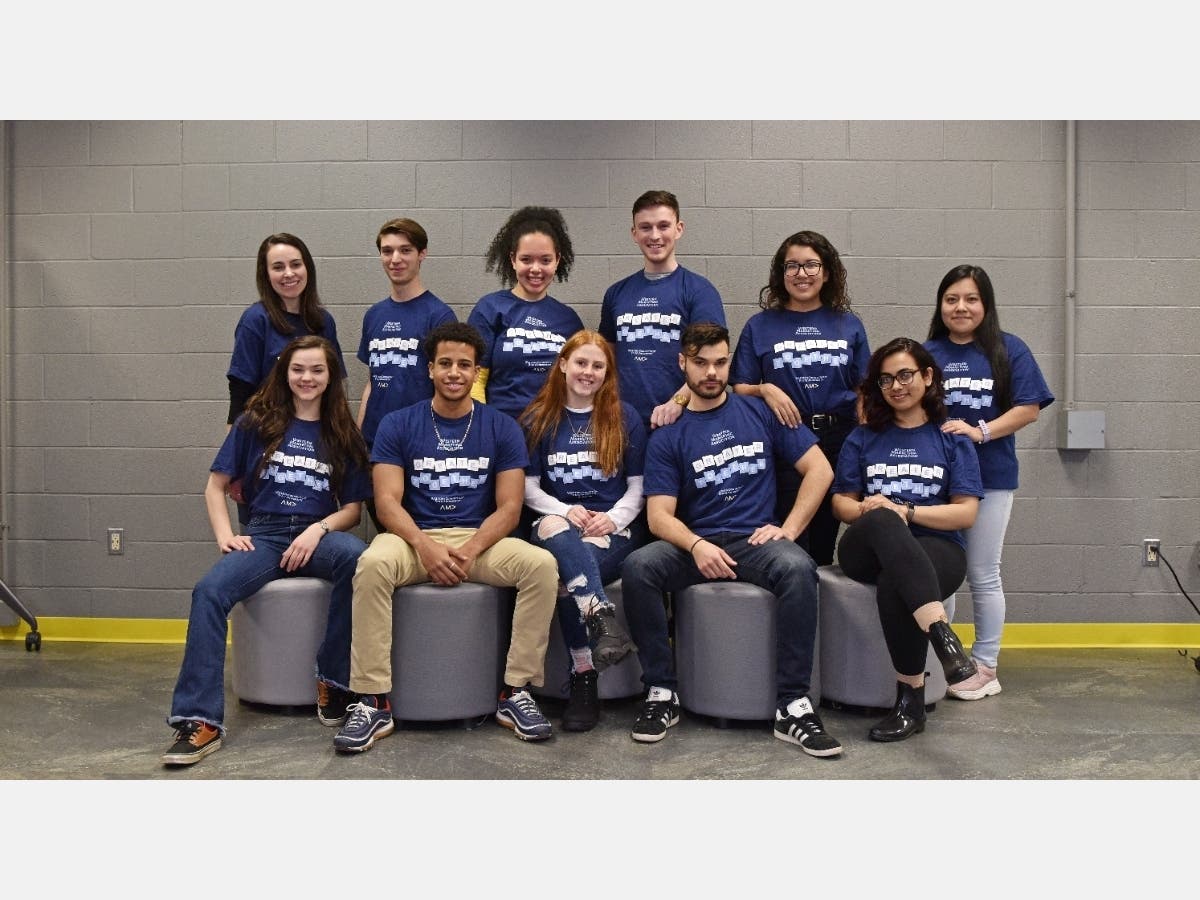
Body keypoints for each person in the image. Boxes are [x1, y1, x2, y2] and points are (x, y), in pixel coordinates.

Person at [333, 322, 559, 752]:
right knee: (373, 563)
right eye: (445, 364)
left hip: (479, 541)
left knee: (541, 566)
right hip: (414, 539)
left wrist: (470, 550)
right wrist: (425, 546)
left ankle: (516, 692)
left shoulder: (501, 427)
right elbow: (386, 503)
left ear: (477, 373)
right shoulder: (399, 424)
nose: (455, 372)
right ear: (430, 370)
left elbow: (510, 507)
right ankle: (373, 699)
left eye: (465, 365)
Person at [620, 322, 842, 757]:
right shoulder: (668, 432)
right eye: (700, 363)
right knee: (639, 566)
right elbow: (659, 516)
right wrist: (697, 547)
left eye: (720, 363)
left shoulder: (759, 411)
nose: (711, 373)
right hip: (698, 542)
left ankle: (792, 705)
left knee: (799, 568)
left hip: (754, 541)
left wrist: (790, 529)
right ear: (682, 363)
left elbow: (821, 470)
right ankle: (662, 692)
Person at [162, 335, 370, 766]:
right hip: (266, 535)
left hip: (316, 535)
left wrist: (318, 529)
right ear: (285, 372)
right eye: (299, 369)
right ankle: (199, 720)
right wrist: (225, 536)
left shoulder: (341, 431)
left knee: (358, 558)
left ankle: (333, 680)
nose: (307, 378)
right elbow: (215, 486)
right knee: (209, 591)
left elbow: (352, 510)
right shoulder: (255, 421)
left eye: (317, 370)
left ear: (330, 377)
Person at [831, 337, 983, 743]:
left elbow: (966, 513)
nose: (896, 386)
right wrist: (873, 510)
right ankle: (942, 636)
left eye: (905, 375)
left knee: (896, 583)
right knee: (883, 519)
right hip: (867, 545)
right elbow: (841, 505)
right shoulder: (863, 438)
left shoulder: (952, 439)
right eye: (886, 380)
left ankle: (910, 703)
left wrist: (908, 512)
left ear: (928, 376)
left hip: (937, 546)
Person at [924, 265, 1054, 700]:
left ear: (986, 304)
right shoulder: (927, 354)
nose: (961, 307)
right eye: (952, 299)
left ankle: (985, 665)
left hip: (991, 478)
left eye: (971, 299)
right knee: (941, 572)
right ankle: (944, 662)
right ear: (941, 305)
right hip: (937, 482)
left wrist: (980, 431)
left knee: (982, 572)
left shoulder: (1009, 350)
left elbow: (1030, 407)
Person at [519, 330, 647, 731]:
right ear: (563, 365)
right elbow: (528, 486)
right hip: (558, 522)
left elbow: (639, 485)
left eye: (597, 365)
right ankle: (600, 622)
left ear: (607, 373)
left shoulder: (625, 417)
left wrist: (612, 518)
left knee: (565, 575)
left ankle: (583, 676)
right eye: (580, 363)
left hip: (614, 526)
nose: (587, 372)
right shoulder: (538, 417)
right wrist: (566, 509)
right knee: (556, 529)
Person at [731, 230, 868, 565]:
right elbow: (738, 387)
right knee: (787, 538)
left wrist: (866, 438)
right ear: (781, 273)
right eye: (792, 266)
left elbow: (866, 388)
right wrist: (765, 388)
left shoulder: (848, 325)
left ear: (827, 272)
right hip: (785, 438)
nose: (801, 274)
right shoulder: (760, 325)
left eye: (811, 265)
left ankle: (815, 609)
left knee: (823, 540)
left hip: (840, 439)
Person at [356, 217, 457, 529]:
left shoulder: (439, 315)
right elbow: (372, 381)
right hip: (376, 444)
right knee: (387, 531)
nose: (395, 259)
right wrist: (358, 440)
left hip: (420, 446)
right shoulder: (374, 315)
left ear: (421, 254)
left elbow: (449, 386)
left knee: (417, 535)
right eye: (387, 251)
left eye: (405, 250)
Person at [599, 190, 726, 430]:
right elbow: (607, 361)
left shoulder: (699, 291)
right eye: (645, 227)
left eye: (663, 226)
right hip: (624, 424)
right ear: (634, 234)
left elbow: (711, 365)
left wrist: (677, 402)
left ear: (678, 229)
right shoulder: (616, 293)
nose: (655, 235)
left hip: (682, 421)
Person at [467, 206, 585, 421]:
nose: (536, 269)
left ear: (557, 260)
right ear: (513, 259)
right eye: (526, 259)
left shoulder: (569, 320)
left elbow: (580, 384)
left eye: (545, 260)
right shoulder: (490, 309)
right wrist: (484, 426)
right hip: (502, 430)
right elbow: (475, 379)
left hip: (554, 431)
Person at [227, 233, 347, 426]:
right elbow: (240, 389)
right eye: (278, 267)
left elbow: (335, 388)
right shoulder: (255, 320)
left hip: (315, 432)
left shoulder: (324, 321)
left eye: (296, 264)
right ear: (266, 274)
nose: (289, 273)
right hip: (267, 432)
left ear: (307, 267)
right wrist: (234, 445)